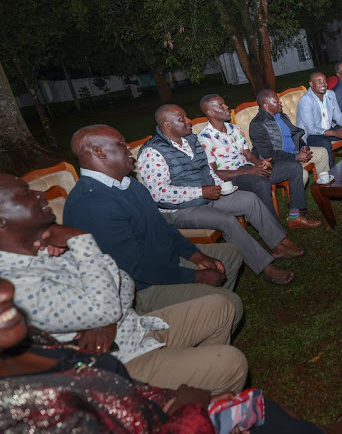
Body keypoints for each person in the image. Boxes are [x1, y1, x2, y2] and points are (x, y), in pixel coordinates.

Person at [0, 277, 342, 433]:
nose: (5, 290)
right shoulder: (18, 409)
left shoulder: (33, 342)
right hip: (176, 420)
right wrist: (188, 408)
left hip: (156, 398)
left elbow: (122, 279)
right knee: (257, 405)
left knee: (271, 409)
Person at [0, 174, 248, 393]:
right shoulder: (13, 283)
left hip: (134, 327)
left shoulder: (47, 247)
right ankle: (178, 397)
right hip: (118, 360)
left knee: (222, 306)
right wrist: (80, 240)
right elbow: (107, 304)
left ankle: (199, 396)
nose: (39, 194)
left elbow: (123, 280)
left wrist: (107, 317)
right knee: (231, 362)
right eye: (24, 193)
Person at [63, 125, 248, 327]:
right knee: (231, 304)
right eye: (121, 143)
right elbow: (133, 268)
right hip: (142, 289)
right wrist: (196, 276)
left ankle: (206, 318)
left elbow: (163, 228)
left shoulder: (127, 184)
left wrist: (198, 256)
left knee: (230, 255)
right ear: (99, 152)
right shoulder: (91, 204)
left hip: (164, 262)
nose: (128, 147)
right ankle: (207, 316)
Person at [136, 106, 303, 285]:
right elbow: (158, 193)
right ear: (167, 125)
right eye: (182, 119)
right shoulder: (152, 152)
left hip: (206, 195)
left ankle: (278, 244)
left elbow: (207, 170)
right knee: (227, 221)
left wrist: (219, 185)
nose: (189, 121)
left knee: (249, 199)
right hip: (179, 209)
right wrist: (200, 191)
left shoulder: (190, 140)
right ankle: (265, 267)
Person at [198, 94, 322, 229]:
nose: (226, 107)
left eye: (224, 103)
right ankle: (274, 228)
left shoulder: (235, 129)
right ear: (210, 112)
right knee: (261, 182)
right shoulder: (204, 138)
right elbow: (215, 173)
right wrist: (249, 171)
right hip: (232, 178)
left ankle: (295, 217)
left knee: (294, 167)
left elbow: (248, 155)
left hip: (251, 169)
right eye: (221, 105)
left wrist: (262, 164)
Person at [248, 89, 330, 180]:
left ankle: (324, 185)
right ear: (266, 105)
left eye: (279, 100)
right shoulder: (258, 124)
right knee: (303, 174)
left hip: (295, 153)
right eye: (276, 101)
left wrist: (303, 148)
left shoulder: (282, 116)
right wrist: (295, 157)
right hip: (278, 161)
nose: (280, 103)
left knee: (322, 153)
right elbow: (268, 154)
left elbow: (295, 135)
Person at [297, 71, 342, 168]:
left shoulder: (330, 94)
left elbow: (338, 117)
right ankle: (332, 174)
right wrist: (334, 133)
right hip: (312, 136)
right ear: (311, 84)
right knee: (324, 142)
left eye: (324, 81)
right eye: (319, 81)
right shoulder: (306, 101)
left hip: (329, 130)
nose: (323, 84)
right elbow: (311, 129)